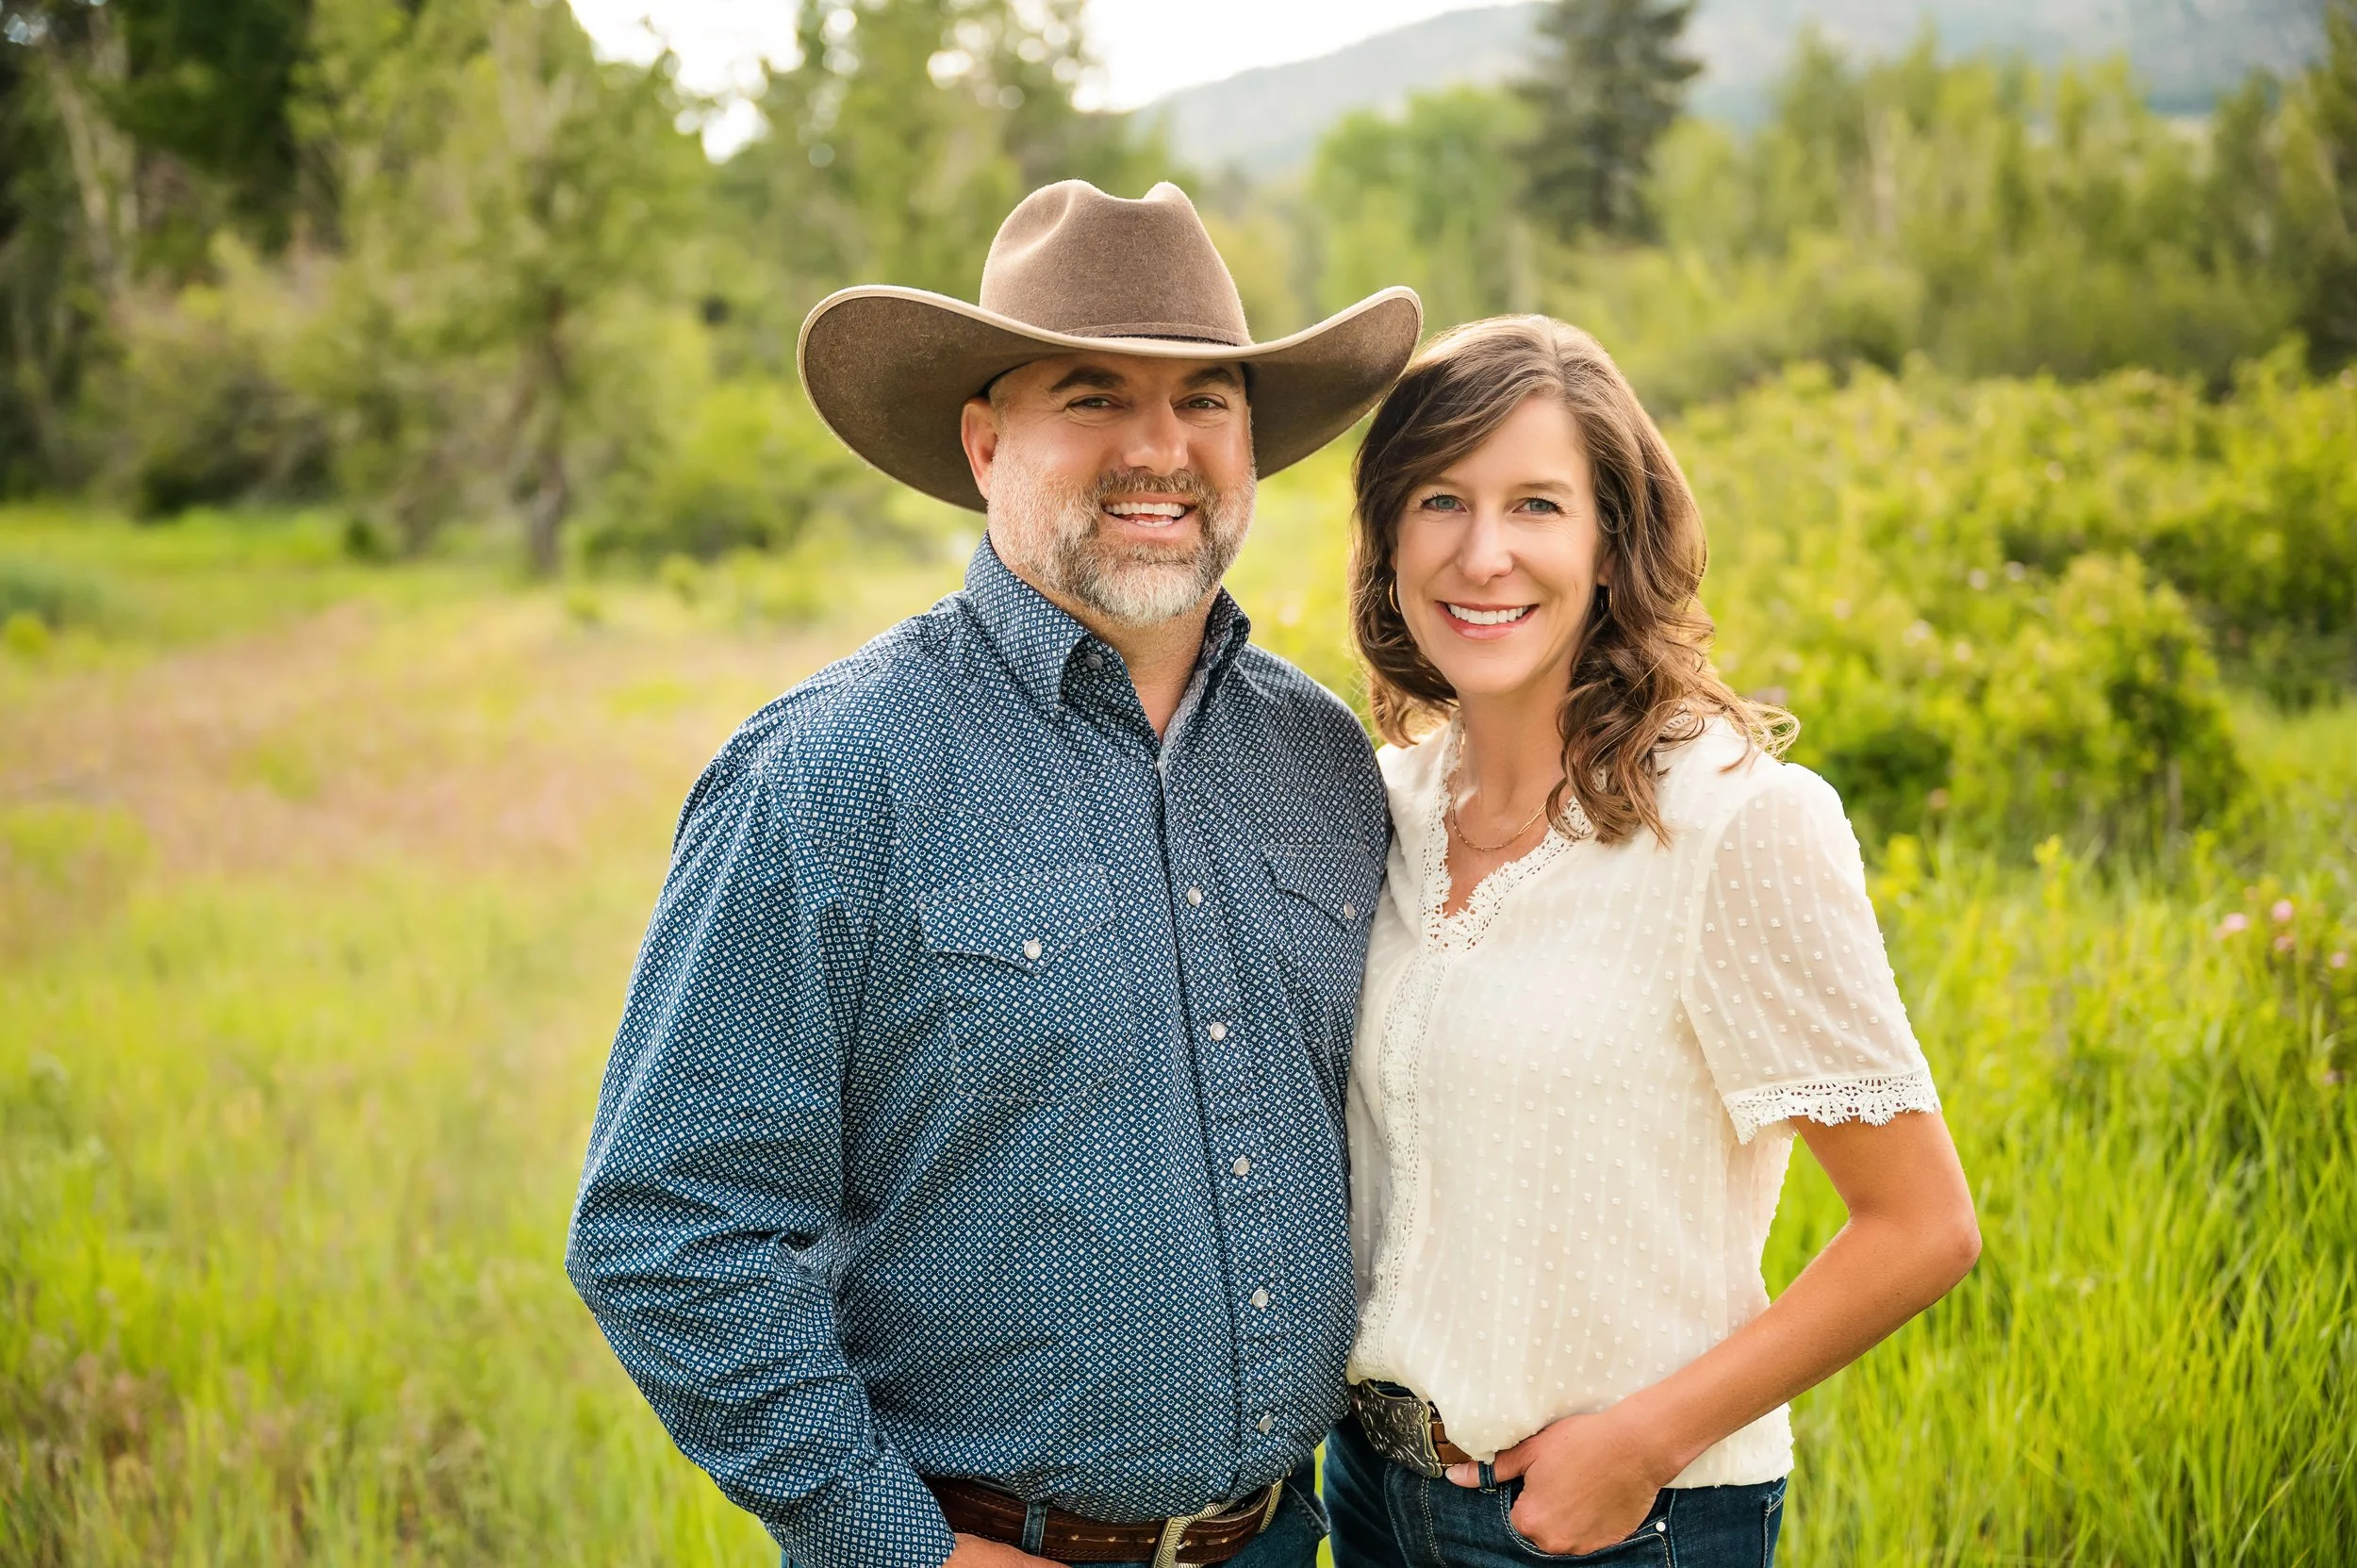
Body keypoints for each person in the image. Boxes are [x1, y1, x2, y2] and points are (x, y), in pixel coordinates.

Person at [563, 179, 1422, 1568]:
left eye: (1206, 399)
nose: (1162, 448)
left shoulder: (1323, 760)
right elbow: (667, 1228)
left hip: (1282, 1539)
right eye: (1093, 398)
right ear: (984, 441)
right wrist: (897, 1544)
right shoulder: (830, 774)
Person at [1324, 316, 1981, 1567]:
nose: (1483, 552)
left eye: (1536, 505)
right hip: (1372, 1495)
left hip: (1614, 1523)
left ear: (1613, 546)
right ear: (1389, 541)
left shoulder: (1736, 824)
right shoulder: (1380, 806)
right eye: (1440, 500)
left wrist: (1641, 1444)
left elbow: (1921, 1225)